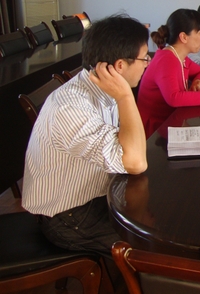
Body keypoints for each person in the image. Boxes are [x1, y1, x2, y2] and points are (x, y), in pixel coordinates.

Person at [22, 14, 150, 255]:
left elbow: (127, 148)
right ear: (120, 66)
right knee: (153, 244)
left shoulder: (103, 87)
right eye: (144, 58)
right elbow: (135, 162)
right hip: (69, 215)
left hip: (98, 193)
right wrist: (125, 96)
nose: (147, 64)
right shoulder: (71, 106)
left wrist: (123, 96)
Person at [137, 8, 200, 137]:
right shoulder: (166, 60)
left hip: (172, 125)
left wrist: (199, 81)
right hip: (152, 133)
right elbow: (174, 98)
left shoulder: (180, 57)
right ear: (184, 37)